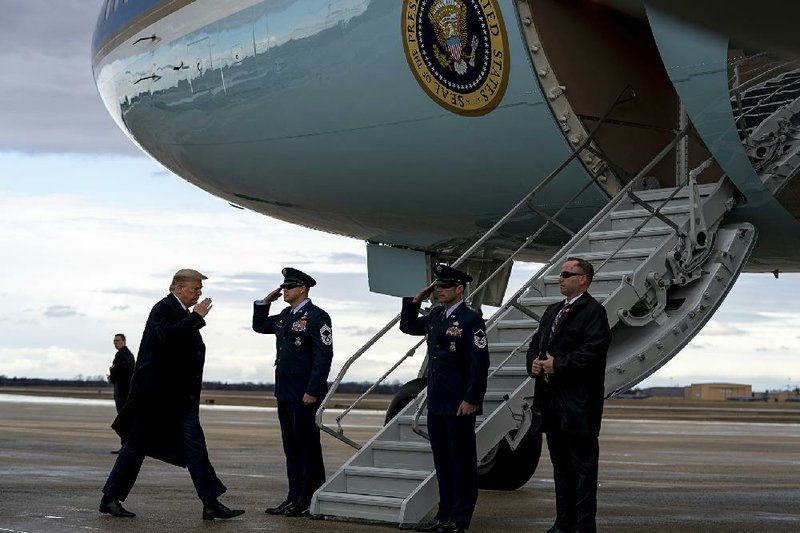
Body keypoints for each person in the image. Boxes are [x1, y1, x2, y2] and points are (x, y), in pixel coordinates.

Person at [99, 269, 245, 521]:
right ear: (178, 288)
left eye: (200, 290)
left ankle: (210, 502)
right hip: (156, 398)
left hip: (180, 400)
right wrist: (196, 318)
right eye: (195, 289)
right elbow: (169, 335)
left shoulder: (181, 312)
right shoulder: (163, 309)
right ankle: (110, 498)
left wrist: (193, 318)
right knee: (134, 447)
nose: (199, 294)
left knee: (195, 449)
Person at [400, 264, 489, 533]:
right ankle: (444, 514)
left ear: (459, 289)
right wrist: (415, 300)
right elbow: (407, 326)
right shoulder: (437, 316)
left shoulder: (470, 320)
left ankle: (460, 519)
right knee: (443, 461)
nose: (439, 291)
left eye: (445, 286)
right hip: (437, 401)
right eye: (437, 286)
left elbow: (479, 364)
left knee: (461, 462)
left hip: (459, 403)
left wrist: (472, 398)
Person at [525, 257, 611, 533]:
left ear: (582, 280)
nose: (559, 278)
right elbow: (535, 345)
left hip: (579, 406)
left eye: (565, 274)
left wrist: (557, 364)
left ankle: (584, 528)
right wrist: (535, 364)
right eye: (560, 274)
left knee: (583, 471)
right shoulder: (552, 311)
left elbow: (593, 351)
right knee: (561, 469)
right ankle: (563, 524)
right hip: (552, 404)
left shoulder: (593, 312)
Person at [253, 267, 333, 518]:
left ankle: (310, 498)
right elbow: (259, 326)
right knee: (291, 446)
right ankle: (294, 497)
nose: (284, 291)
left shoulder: (317, 317)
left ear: (302, 289)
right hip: (285, 390)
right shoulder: (285, 316)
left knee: (307, 445)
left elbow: (324, 357)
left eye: (289, 287)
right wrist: (265, 302)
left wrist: (312, 390)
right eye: (283, 287)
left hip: (304, 392)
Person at [108, 333, 135, 452]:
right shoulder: (122, 355)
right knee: (124, 419)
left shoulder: (124, 355)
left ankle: (127, 445)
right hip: (122, 391)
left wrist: (113, 373)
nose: (115, 343)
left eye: (118, 340)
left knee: (124, 420)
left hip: (124, 392)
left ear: (124, 341)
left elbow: (126, 370)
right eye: (114, 341)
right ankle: (126, 445)